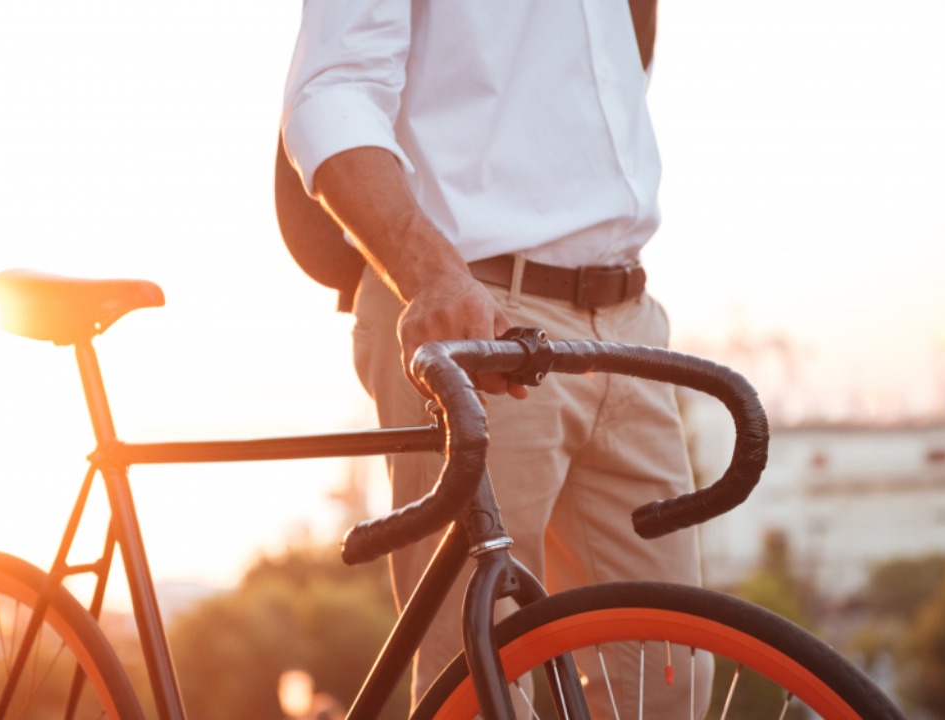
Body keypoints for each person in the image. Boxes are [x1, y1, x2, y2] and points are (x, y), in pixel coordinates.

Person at [281, 0, 709, 715]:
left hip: (625, 321)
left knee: (664, 682)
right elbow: (330, 90)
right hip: (477, 311)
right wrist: (431, 276)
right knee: (482, 689)